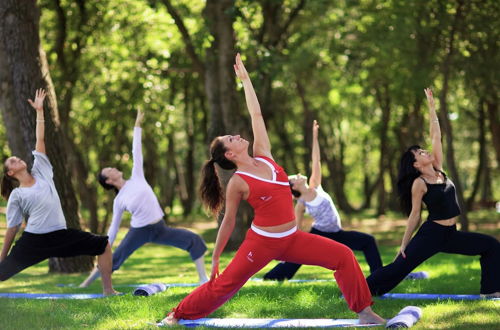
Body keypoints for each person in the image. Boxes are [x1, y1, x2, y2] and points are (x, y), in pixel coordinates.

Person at [161, 54, 385, 325]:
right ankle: (177, 313)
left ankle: (365, 313)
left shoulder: (264, 154)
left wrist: (246, 81)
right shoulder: (238, 182)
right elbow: (229, 221)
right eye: (231, 138)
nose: (238, 135)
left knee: (344, 255)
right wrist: (216, 257)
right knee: (225, 286)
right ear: (230, 154)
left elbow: (256, 114)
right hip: (261, 243)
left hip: (292, 237)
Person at [366, 88, 500, 297]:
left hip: (450, 234)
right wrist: (404, 244)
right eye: (420, 153)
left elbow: (436, 135)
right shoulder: (419, 183)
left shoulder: (439, 169)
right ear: (416, 164)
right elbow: (415, 214)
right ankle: (360, 290)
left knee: (491, 245)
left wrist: (431, 106)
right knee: (399, 268)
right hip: (431, 235)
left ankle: (490, 291)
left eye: (422, 150)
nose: (425, 151)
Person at [0, 89, 117, 295]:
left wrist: (39, 112)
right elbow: (13, 228)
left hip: (61, 235)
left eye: (17, 157)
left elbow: (40, 140)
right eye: (13, 161)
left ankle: (108, 290)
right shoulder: (17, 195)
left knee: (103, 244)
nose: (18, 159)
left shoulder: (42, 170)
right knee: (2, 273)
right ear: (11, 172)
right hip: (34, 241)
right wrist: (2, 256)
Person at [79, 108, 208, 288]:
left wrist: (137, 125)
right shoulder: (119, 200)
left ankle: (203, 279)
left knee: (193, 240)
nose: (114, 169)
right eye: (110, 171)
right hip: (139, 231)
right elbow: (114, 226)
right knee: (115, 258)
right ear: (108, 180)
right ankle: (85, 284)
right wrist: (105, 244)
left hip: (159, 227)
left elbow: (136, 151)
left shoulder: (137, 176)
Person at [264, 120, 383, 281]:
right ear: (294, 187)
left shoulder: (315, 185)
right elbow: (296, 229)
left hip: (337, 233)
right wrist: (290, 248)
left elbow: (316, 161)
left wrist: (314, 137)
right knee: (299, 255)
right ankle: (271, 277)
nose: (299, 175)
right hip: (320, 234)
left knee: (368, 242)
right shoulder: (301, 204)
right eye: (295, 178)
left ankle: (379, 275)